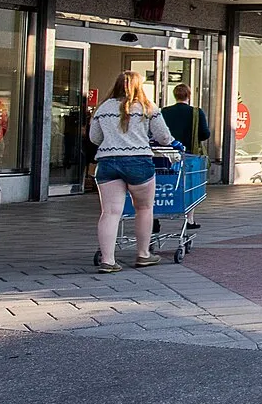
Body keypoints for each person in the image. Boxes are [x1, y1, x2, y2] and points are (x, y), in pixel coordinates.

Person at [87, 71, 177, 273]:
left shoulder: (103, 108)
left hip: (108, 163)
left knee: (110, 212)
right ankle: (143, 254)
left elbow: (94, 138)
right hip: (139, 162)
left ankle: (108, 260)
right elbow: (164, 137)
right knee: (144, 208)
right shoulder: (148, 107)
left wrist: (114, 141)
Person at [161, 83, 209, 159]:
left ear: (175, 96)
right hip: (190, 153)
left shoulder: (165, 111)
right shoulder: (196, 112)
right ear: (189, 95)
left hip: (169, 154)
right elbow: (205, 134)